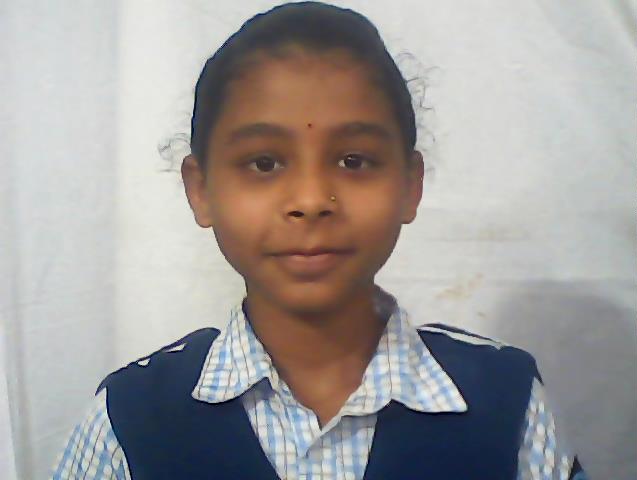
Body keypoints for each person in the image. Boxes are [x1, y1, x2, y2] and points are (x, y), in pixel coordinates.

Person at [51, 2, 588, 479]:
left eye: (354, 161)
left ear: (410, 184)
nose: (311, 200)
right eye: (264, 163)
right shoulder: (130, 419)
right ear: (201, 190)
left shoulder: (505, 401)